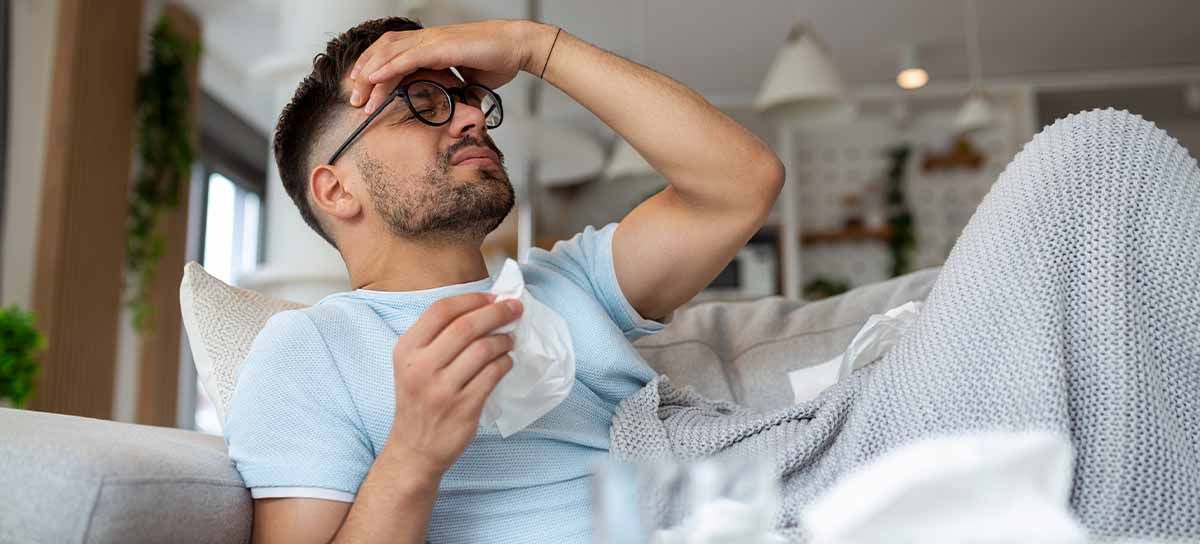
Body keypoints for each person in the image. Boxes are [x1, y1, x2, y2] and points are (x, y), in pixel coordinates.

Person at [223, 16, 783, 544]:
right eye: (421, 105)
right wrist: (413, 454)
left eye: (470, 102)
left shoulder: (574, 283)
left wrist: (534, 46)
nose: (470, 119)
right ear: (337, 190)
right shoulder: (308, 351)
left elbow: (742, 185)